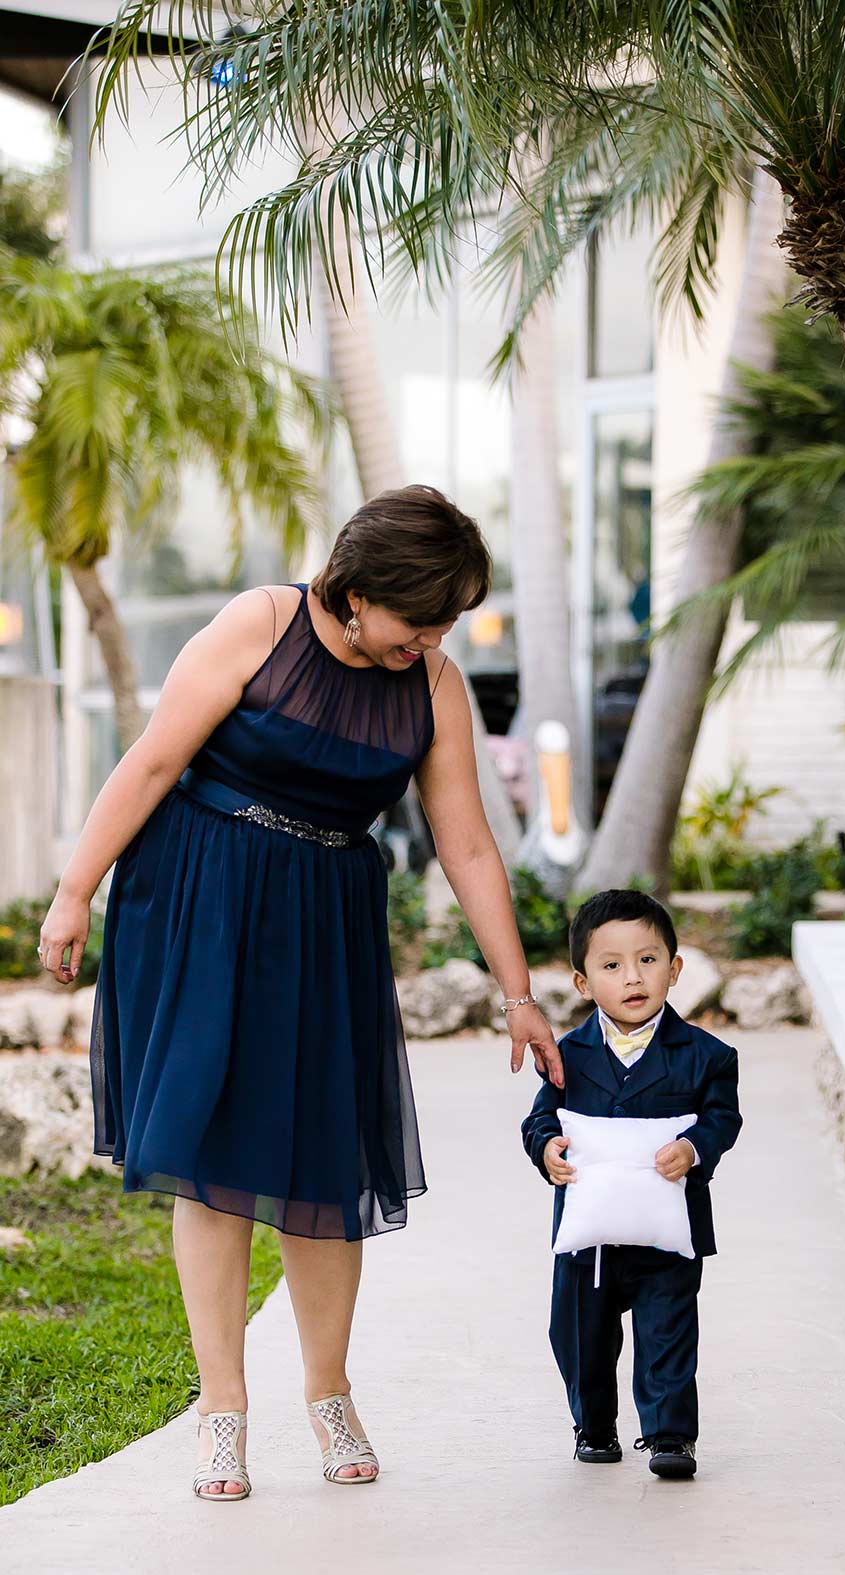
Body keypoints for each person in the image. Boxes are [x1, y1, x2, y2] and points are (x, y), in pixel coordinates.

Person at [38, 484, 563, 1501]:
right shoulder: (261, 625)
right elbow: (151, 765)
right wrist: (72, 894)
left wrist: (518, 993)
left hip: (325, 918)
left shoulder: (433, 685)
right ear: (359, 593)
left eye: (447, 623)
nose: (434, 640)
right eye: (422, 620)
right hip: (200, 898)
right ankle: (222, 1408)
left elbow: (465, 843)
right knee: (212, 1153)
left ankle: (328, 1393)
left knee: (327, 1163)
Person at [521, 888, 741, 1479]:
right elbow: (541, 1117)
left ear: (674, 969)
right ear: (583, 982)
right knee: (579, 1336)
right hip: (588, 1236)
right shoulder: (567, 1055)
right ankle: (593, 1425)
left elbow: (723, 1118)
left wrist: (694, 1148)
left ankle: (670, 1436)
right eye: (611, 965)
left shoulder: (706, 1057)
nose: (632, 977)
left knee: (667, 1333)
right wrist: (547, 1147)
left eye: (648, 960)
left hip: (666, 1231)